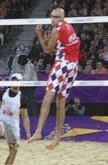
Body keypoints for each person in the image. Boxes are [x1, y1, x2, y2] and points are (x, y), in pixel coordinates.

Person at [28, 8, 80, 150]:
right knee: (61, 102)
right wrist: (48, 39)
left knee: (48, 96)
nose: (52, 20)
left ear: (61, 18)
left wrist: (39, 35)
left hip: (62, 64)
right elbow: (61, 45)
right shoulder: (69, 26)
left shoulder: (57, 29)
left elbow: (46, 50)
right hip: (73, 66)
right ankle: (57, 139)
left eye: (55, 17)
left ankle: (38, 131)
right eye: (51, 17)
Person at [0, 73, 31, 165]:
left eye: (16, 80)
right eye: (13, 80)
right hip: (2, 119)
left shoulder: (23, 98)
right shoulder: (3, 92)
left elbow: (25, 117)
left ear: (20, 83)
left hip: (13, 124)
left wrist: (28, 133)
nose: (14, 82)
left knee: (13, 151)